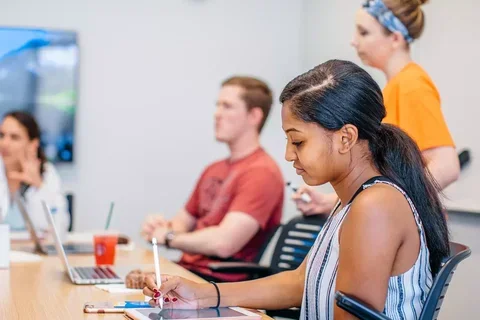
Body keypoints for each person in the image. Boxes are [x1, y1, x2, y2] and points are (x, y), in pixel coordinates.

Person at [143, 60, 450, 319]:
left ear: (346, 138)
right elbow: (301, 281)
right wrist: (204, 295)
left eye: (298, 141)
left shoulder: (376, 205)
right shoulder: (352, 201)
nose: (289, 154)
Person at [294, 0, 460, 216]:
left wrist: (386, 202)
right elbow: (386, 176)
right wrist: (328, 201)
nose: (354, 41)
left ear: (395, 38)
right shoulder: (394, 88)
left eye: (364, 33)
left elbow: (447, 165)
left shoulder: (411, 85)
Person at [140, 76, 284, 282]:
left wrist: (169, 237)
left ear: (254, 116)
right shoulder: (213, 169)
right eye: (217, 105)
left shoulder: (262, 172)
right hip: (188, 274)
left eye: (227, 106)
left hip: (217, 285)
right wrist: (158, 227)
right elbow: (181, 223)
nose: (217, 114)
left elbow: (224, 243)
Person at [0, 111, 69, 232]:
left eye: (14, 137)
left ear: (33, 144)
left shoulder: (47, 172)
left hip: (31, 250)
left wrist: (38, 186)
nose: (5, 143)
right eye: (2, 135)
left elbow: (60, 226)